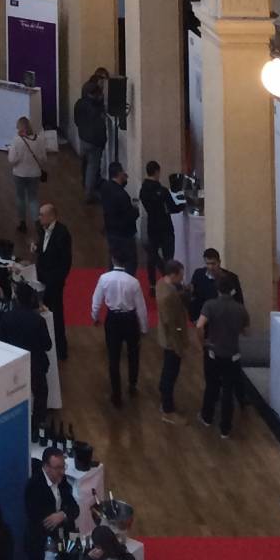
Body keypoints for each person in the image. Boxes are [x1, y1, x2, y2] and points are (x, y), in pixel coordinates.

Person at [89, 251, 147, 407]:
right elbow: (141, 307)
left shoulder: (104, 279)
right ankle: (132, 384)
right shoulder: (133, 282)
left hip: (113, 319)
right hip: (130, 319)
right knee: (133, 354)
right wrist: (144, 327)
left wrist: (94, 317)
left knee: (113, 357)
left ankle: (116, 394)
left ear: (112, 260)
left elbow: (96, 301)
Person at [196, 271, 250, 437]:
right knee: (228, 390)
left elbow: (199, 326)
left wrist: (203, 343)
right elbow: (246, 331)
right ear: (232, 290)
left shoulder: (210, 305)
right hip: (232, 355)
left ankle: (206, 417)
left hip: (214, 352)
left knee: (211, 386)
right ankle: (225, 429)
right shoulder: (240, 309)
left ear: (218, 289)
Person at [0, 281, 52, 425]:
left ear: (17, 298)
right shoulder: (38, 321)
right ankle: (37, 426)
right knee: (40, 394)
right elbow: (47, 345)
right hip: (35, 364)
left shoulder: (6, 318)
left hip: (13, 365)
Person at [23, 447, 79, 560]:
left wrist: (62, 515)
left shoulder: (62, 480)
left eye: (63, 467)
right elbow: (44, 523)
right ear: (46, 467)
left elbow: (75, 508)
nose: (62, 472)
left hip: (61, 542)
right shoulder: (34, 487)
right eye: (58, 468)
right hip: (41, 545)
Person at [36, 203, 72, 362]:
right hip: (43, 278)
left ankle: (61, 349)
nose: (39, 217)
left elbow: (65, 261)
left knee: (56, 315)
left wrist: (56, 280)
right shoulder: (42, 230)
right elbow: (43, 249)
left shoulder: (62, 233)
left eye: (42, 215)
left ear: (51, 216)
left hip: (54, 282)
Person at [155, 259, 189, 421]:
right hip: (172, 339)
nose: (181, 279)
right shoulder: (169, 296)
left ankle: (164, 394)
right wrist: (179, 346)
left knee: (167, 369)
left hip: (165, 336)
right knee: (171, 372)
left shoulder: (161, 284)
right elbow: (172, 323)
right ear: (173, 274)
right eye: (180, 276)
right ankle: (167, 406)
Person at [139, 160, 177, 287]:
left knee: (152, 255)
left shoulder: (143, 190)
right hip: (165, 225)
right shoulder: (163, 191)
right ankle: (170, 281)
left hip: (152, 224)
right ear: (157, 172)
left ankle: (152, 285)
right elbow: (173, 207)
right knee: (168, 255)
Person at [7, 116, 48, 230]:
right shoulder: (39, 139)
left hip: (19, 174)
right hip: (35, 174)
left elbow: (12, 160)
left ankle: (22, 223)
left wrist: (11, 151)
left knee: (20, 198)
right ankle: (37, 223)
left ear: (20, 128)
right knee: (33, 198)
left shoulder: (17, 141)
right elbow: (44, 159)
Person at [73, 77, 109, 199]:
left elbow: (76, 120)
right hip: (94, 141)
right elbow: (99, 125)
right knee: (93, 167)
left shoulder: (79, 103)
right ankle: (89, 193)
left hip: (83, 138)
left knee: (86, 164)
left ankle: (86, 186)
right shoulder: (96, 108)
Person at [98, 165, 139, 266]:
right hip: (124, 234)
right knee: (130, 262)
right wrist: (135, 211)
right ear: (119, 173)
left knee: (113, 259)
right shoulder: (122, 195)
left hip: (110, 230)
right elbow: (128, 216)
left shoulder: (105, 188)